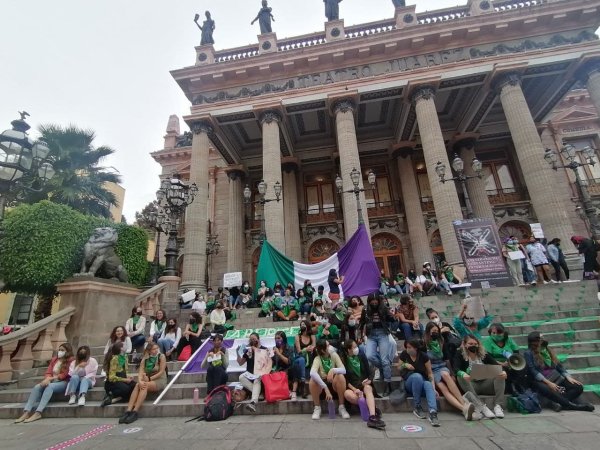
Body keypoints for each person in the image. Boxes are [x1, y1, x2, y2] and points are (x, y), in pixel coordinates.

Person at [525, 331, 594, 412]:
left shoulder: (546, 350)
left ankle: (557, 403)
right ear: (535, 341)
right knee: (547, 389)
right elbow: (533, 371)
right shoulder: (528, 353)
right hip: (540, 381)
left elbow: (558, 366)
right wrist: (548, 383)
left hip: (555, 376)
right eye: (541, 338)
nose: (543, 339)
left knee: (578, 387)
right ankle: (574, 406)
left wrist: (568, 377)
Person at [424, 323, 475, 421]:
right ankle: (464, 409)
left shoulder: (441, 341)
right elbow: (426, 364)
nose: (435, 333)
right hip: (431, 369)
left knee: (445, 374)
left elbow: (446, 359)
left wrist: (452, 373)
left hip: (442, 367)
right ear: (428, 332)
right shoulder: (424, 343)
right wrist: (432, 385)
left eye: (437, 331)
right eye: (433, 331)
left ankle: (463, 402)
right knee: (443, 388)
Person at [14, 343, 74, 423]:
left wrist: (50, 379)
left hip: (64, 382)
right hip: (52, 381)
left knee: (49, 387)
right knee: (37, 387)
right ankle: (26, 412)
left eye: (62, 350)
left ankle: (38, 412)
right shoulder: (54, 360)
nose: (60, 351)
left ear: (67, 351)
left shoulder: (71, 360)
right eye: (59, 350)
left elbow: (65, 374)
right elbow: (48, 372)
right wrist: (47, 379)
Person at [452, 335, 506, 419]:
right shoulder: (459, 353)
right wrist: (463, 374)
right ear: (465, 344)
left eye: (475, 344)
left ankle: (498, 406)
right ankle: (481, 406)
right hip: (471, 384)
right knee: (460, 377)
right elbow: (455, 368)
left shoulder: (484, 354)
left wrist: (502, 372)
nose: (473, 346)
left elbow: (496, 365)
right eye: (470, 343)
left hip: (486, 383)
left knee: (500, 375)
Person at [341, 340, 386, 429]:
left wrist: (369, 380)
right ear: (348, 350)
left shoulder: (361, 356)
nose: (356, 348)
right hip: (352, 387)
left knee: (368, 388)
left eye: (356, 346)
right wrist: (355, 390)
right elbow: (345, 380)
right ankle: (369, 406)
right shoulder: (344, 360)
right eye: (354, 347)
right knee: (347, 394)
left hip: (364, 384)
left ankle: (372, 417)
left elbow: (370, 372)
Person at [119, 343, 167, 424]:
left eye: (156, 348)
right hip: (147, 379)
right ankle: (128, 411)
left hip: (159, 379)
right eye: (153, 349)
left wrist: (149, 379)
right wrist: (140, 381)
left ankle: (135, 411)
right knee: (138, 385)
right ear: (149, 351)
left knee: (145, 385)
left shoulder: (161, 356)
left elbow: (161, 371)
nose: (156, 350)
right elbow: (140, 372)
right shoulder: (145, 359)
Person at [399, 339, 440, 427]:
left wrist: (434, 388)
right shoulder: (404, 354)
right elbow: (398, 367)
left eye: (410, 347)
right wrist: (405, 365)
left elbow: (430, 373)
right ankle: (417, 406)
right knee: (417, 376)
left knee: (428, 384)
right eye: (407, 347)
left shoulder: (423, 356)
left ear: (416, 348)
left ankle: (433, 412)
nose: (408, 349)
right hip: (409, 382)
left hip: (422, 382)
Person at [361, 293, 393, 396]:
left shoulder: (383, 308)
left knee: (384, 359)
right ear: (369, 301)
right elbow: (362, 323)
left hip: (382, 333)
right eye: (372, 300)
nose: (374, 302)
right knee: (369, 356)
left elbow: (391, 319)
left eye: (376, 300)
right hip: (371, 335)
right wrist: (360, 334)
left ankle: (388, 383)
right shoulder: (365, 310)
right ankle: (384, 368)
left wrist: (392, 315)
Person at [309, 339, 349, 420]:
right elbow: (312, 373)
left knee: (340, 376)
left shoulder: (334, 355)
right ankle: (317, 408)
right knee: (312, 380)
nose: (330, 347)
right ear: (323, 350)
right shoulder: (317, 358)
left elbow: (344, 370)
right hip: (322, 388)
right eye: (328, 346)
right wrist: (325, 388)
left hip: (334, 385)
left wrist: (333, 370)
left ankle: (341, 407)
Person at [237, 333, 270, 413]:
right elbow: (240, 363)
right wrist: (238, 353)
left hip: (260, 374)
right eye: (251, 339)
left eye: (254, 339)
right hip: (250, 374)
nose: (252, 341)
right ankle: (258, 393)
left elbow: (266, 361)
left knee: (257, 379)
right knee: (241, 377)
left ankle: (253, 402)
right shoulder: (249, 351)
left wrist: (256, 350)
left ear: (258, 339)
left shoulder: (264, 349)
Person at [101, 341, 136, 407]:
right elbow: (111, 377)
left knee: (135, 386)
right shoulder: (114, 359)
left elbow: (125, 370)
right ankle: (111, 394)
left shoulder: (125, 357)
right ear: (121, 348)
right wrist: (125, 380)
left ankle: (116, 399)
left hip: (122, 378)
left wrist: (129, 376)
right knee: (126, 389)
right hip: (112, 382)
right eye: (124, 345)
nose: (126, 346)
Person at [293, 319, 316, 399]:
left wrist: (311, 348)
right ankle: (303, 386)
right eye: (301, 325)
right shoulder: (297, 337)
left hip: (311, 356)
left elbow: (314, 346)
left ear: (307, 326)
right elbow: (299, 351)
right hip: (300, 357)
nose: (302, 326)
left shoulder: (312, 336)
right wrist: (306, 349)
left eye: (304, 324)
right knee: (302, 360)